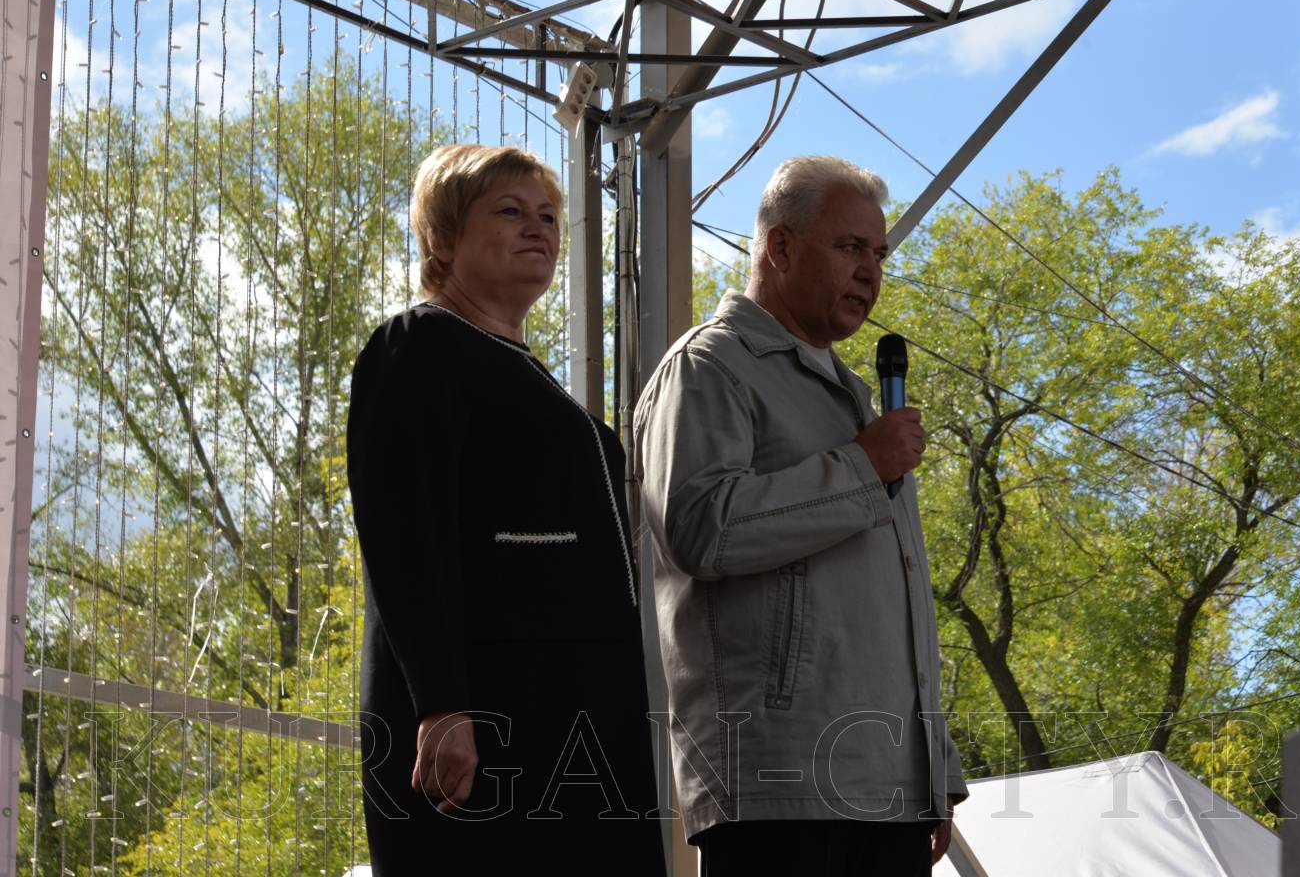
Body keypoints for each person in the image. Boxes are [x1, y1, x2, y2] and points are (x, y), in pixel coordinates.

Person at [635, 155, 967, 876]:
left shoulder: (856, 400)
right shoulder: (709, 366)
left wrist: (932, 765)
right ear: (780, 248)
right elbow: (701, 527)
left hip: (891, 789)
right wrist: (861, 468)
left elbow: (894, 607)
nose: (870, 272)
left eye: (879, 254)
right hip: (778, 783)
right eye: (850, 247)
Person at [347, 145, 665, 874]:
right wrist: (441, 704)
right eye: (511, 211)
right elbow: (404, 534)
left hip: (578, 725)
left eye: (550, 216)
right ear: (443, 238)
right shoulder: (417, 346)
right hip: (490, 724)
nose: (539, 229)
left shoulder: (530, 379)